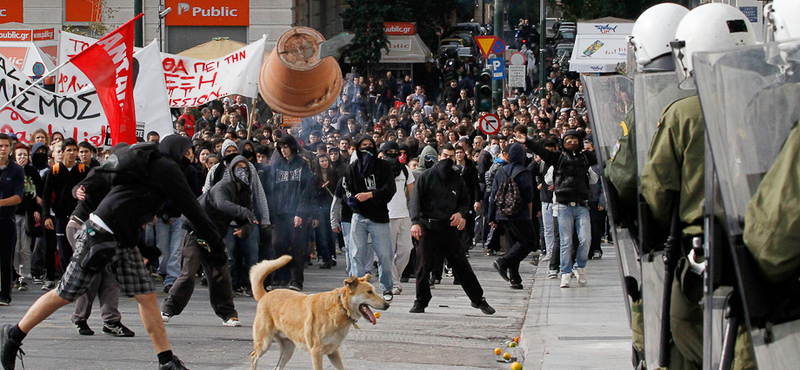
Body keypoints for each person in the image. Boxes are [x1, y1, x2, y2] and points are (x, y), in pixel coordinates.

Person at [0, 136, 227, 370]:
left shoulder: (150, 164)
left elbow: (110, 183)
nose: (189, 157)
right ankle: (14, 334)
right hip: (101, 232)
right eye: (187, 152)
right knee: (65, 293)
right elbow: (193, 209)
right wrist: (217, 244)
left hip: (123, 237)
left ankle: (166, 360)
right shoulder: (167, 168)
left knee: (146, 296)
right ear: (176, 150)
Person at [161, 156, 254, 327]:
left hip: (216, 236)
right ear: (231, 170)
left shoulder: (245, 194)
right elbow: (222, 203)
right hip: (197, 231)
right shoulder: (222, 186)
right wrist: (244, 212)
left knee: (221, 276)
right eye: (238, 167)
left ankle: (228, 315)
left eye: (245, 168)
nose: (242, 171)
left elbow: (249, 221)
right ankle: (168, 309)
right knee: (188, 273)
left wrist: (245, 229)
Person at [408, 143, 494, 314]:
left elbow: (464, 199)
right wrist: (415, 222)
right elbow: (415, 200)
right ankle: (421, 301)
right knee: (423, 266)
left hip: (448, 227)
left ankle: (478, 299)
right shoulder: (426, 176)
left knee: (462, 265)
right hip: (427, 225)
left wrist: (461, 214)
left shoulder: (457, 178)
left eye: (451, 156)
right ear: (439, 157)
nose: (448, 160)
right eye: (445, 156)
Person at [517, 129, 596, 288]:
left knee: (585, 239)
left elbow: (603, 153)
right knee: (565, 241)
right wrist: (527, 141)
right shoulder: (558, 158)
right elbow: (542, 151)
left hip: (582, 204)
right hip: (563, 205)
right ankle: (565, 272)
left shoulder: (585, 158)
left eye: (575, 140)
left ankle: (579, 266)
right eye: (569, 140)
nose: (572, 143)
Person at [342, 135, 396, 301]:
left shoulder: (383, 166)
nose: (367, 149)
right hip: (358, 216)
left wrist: (371, 195)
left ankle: (387, 287)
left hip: (379, 217)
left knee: (385, 255)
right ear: (358, 148)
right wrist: (352, 201)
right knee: (356, 254)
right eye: (363, 145)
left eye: (370, 145)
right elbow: (347, 188)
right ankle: (356, 289)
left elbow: (390, 189)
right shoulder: (353, 168)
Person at [264, 135, 314, 291]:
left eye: (286, 147)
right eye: (281, 147)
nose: (283, 150)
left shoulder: (302, 165)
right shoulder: (277, 165)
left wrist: (300, 213)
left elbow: (307, 191)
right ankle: (281, 276)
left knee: (297, 247)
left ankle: (296, 280)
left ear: (292, 147)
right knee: (278, 244)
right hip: (280, 213)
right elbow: (271, 189)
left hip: (297, 213)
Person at [488, 143, 540, 290]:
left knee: (512, 245)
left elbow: (493, 195)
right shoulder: (524, 172)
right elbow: (529, 196)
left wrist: (492, 217)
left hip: (503, 213)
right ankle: (503, 262)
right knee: (529, 242)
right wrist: (530, 215)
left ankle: (514, 278)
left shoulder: (500, 171)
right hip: (520, 213)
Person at [41, 138, 88, 284]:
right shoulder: (54, 171)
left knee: (79, 249)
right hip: (60, 217)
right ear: (62, 153)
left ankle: (78, 280)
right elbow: (46, 196)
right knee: (62, 250)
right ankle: (64, 280)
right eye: (69, 150)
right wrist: (46, 216)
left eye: (75, 150)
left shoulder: (83, 171)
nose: (72, 153)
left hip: (79, 217)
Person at [381, 142, 414, 296]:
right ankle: (395, 283)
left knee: (407, 249)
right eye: (389, 151)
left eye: (396, 151)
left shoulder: (405, 170)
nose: (393, 154)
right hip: (386, 216)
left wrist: (414, 214)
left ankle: (395, 277)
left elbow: (412, 194)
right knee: (388, 252)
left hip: (404, 215)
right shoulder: (378, 170)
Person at [0, 134, 24, 306]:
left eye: (6, 146)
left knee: (5, 258)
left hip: (6, 219)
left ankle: (4, 294)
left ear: (10, 148)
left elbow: (18, 197)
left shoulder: (16, 170)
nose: (2, 149)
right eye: (0, 146)